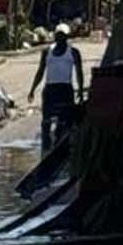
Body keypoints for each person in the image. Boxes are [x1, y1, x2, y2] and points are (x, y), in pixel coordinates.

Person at [28, 22, 85, 154]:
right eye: (58, 35)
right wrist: (32, 90)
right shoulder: (47, 52)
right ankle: (45, 149)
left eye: (63, 36)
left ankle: (60, 149)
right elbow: (41, 71)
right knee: (46, 122)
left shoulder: (73, 52)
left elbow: (79, 72)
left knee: (64, 122)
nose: (60, 38)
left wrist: (81, 90)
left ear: (67, 37)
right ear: (55, 36)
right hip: (50, 90)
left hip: (65, 89)